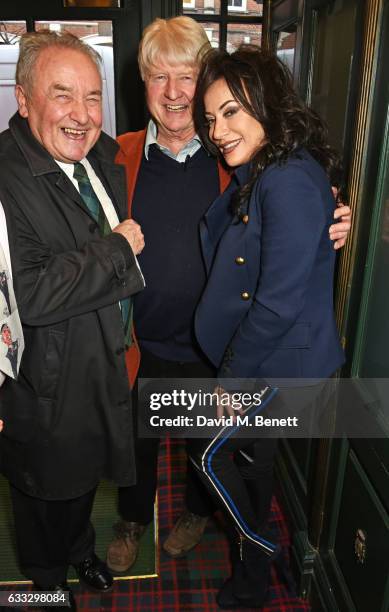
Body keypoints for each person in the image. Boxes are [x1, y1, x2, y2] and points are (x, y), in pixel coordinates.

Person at [107, 16, 351, 574]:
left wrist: (338, 214)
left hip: (211, 352)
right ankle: (131, 520)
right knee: (133, 446)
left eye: (187, 76)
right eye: (158, 76)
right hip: (136, 343)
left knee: (204, 453)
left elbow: (296, 196)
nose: (173, 93)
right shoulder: (113, 155)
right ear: (141, 84)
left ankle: (195, 514)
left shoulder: (236, 155)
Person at [184, 46, 346, 609]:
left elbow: (276, 304)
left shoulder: (288, 178)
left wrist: (230, 379)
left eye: (231, 111)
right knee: (253, 461)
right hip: (268, 362)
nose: (218, 129)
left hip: (280, 365)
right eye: (211, 118)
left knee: (206, 452)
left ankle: (258, 549)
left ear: (267, 103)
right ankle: (254, 575)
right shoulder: (266, 169)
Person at [0, 31, 145, 610]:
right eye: (63, 95)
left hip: (101, 362)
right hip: (43, 379)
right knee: (40, 494)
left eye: (93, 97)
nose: (82, 116)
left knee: (83, 480)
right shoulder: (5, 177)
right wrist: (116, 249)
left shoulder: (104, 155)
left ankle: (81, 550)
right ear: (24, 99)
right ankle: (45, 582)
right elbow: (30, 293)